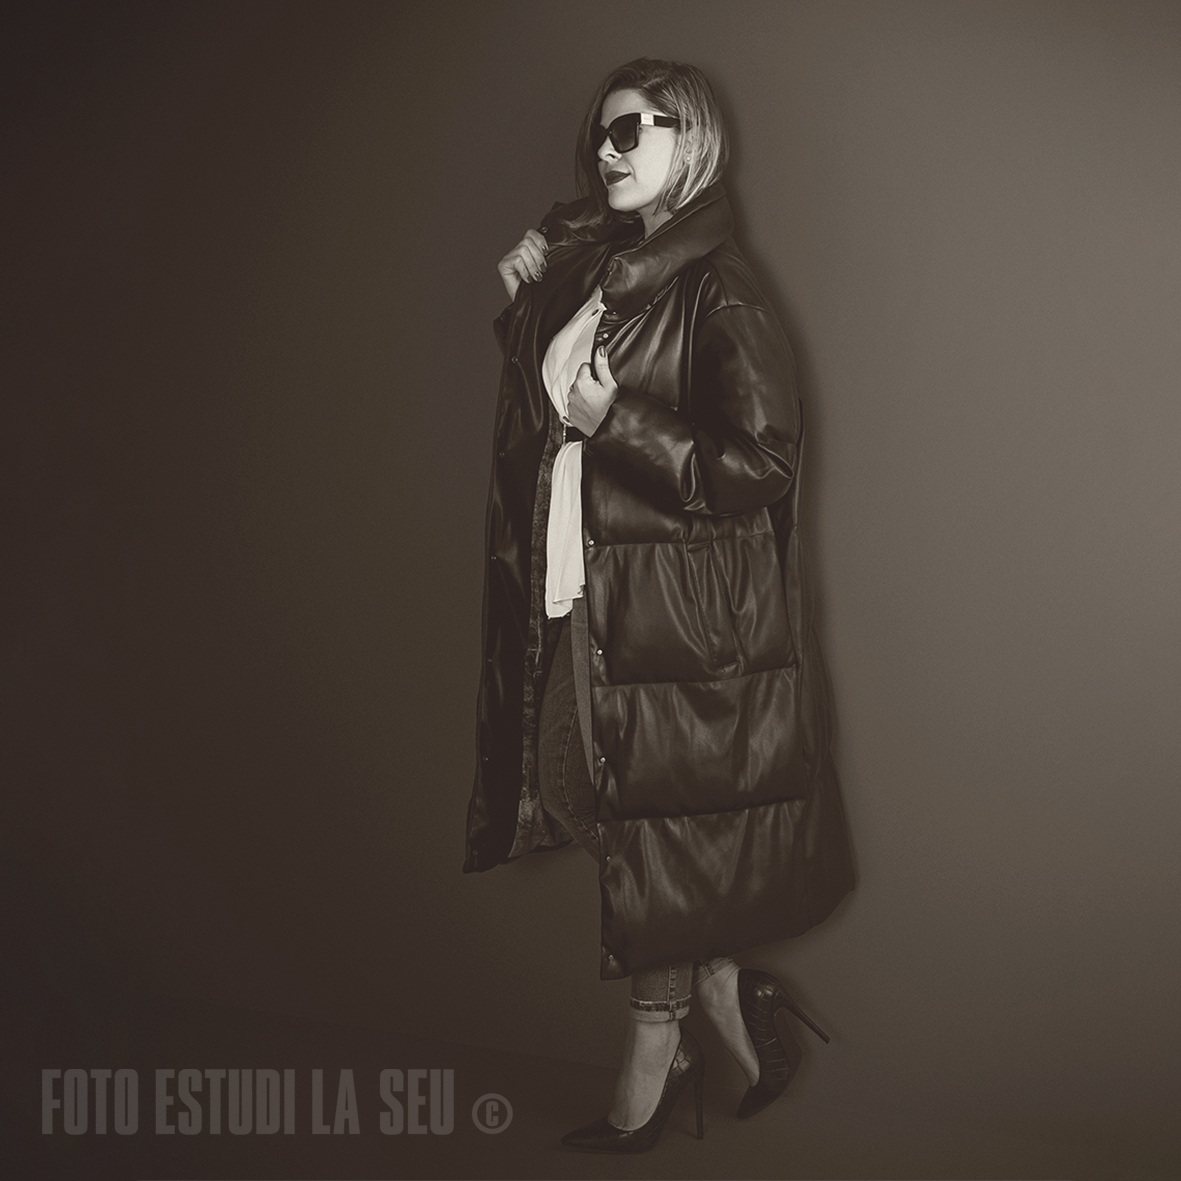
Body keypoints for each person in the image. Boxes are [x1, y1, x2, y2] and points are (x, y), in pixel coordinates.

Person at [463, 58, 854, 1153]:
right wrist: (529, 301)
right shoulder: (605, 270)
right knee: (582, 795)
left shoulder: (719, 288)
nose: (610, 147)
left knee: (647, 833)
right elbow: (554, 413)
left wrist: (621, 421)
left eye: (637, 127)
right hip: (591, 593)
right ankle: (722, 986)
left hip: (679, 621)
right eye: (602, 131)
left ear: (695, 142)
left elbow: (762, 462)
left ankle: (653, 1048)